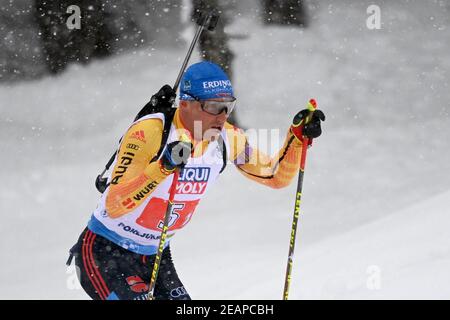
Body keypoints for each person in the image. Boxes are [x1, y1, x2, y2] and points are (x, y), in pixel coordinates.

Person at [68, 61, 325, 300]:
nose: (222, 116)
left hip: (155, 254)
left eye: (228, 106)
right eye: (213, 107)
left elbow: (275, 176)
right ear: (185, 104)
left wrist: (297, 138)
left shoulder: (228, 139)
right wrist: (163, 167)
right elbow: (115, 204)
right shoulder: (150, 134)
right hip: (104, 251)